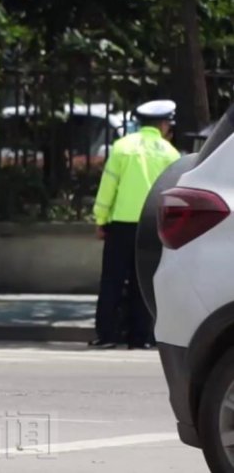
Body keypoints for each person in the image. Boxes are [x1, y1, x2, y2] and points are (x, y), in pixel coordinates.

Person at [90, 99, 180, 350]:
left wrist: (100, 219)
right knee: (146, 281)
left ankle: (106, 335)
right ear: (163, 124)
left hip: (120, 225)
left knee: (112, 280)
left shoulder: (121, 148)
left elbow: (108, 187)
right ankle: (141, 337)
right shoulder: (170, 153)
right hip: (153, 226)